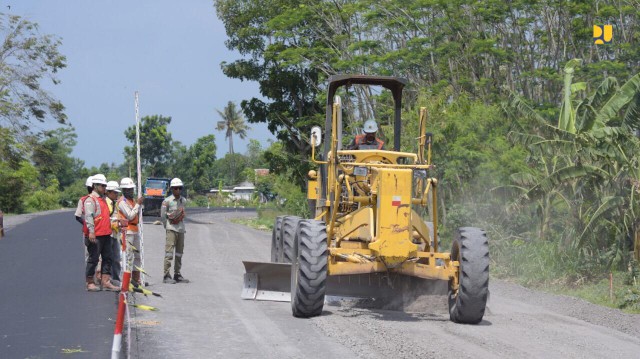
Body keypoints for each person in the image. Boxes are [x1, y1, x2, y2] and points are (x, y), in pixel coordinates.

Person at [84, 174, 119, 292]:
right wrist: (91, 232)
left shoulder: (103, 200)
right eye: (103, 186)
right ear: (95, 186)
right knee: (93, 259)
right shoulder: (90, 200)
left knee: (107, 258)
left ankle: (106, 281)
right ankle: (90, 282)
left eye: (105, 186)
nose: (105, 188)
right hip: (96, 234)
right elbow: (89, 217)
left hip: (106, 233)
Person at [160, 178, 189, 284]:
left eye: (180, 188)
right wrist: (166, 226)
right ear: (172, 189)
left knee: (179, 253)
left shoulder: (183, 200)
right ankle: (166, 275)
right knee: (169, 253)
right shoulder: (167, 201)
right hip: (171, 229)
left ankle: (177, 274)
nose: (178, 190)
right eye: (176, 188)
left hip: (181, 229)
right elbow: (163, 216)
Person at [118, 177, 144, 286]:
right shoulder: (122, 202)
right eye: (128, 189)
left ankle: (136, 278)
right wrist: (138, 204)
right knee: (128, 256)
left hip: (135, 229)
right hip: (127, 231)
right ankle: (126, 280)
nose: (131, 191)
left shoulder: (132, 201)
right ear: (124, 190)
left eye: (132, 189)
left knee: (137, 255)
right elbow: (130, 215)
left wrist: (138, 204)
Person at [105, 181, 122, 286]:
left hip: (115, 233)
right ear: (109, 192)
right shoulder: (106, 203)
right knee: (110, 257)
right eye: (115, 192)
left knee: (116, 258)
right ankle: (110, 278)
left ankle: (116, 278)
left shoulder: (114, 203)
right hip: (109, 234)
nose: (116, 195)